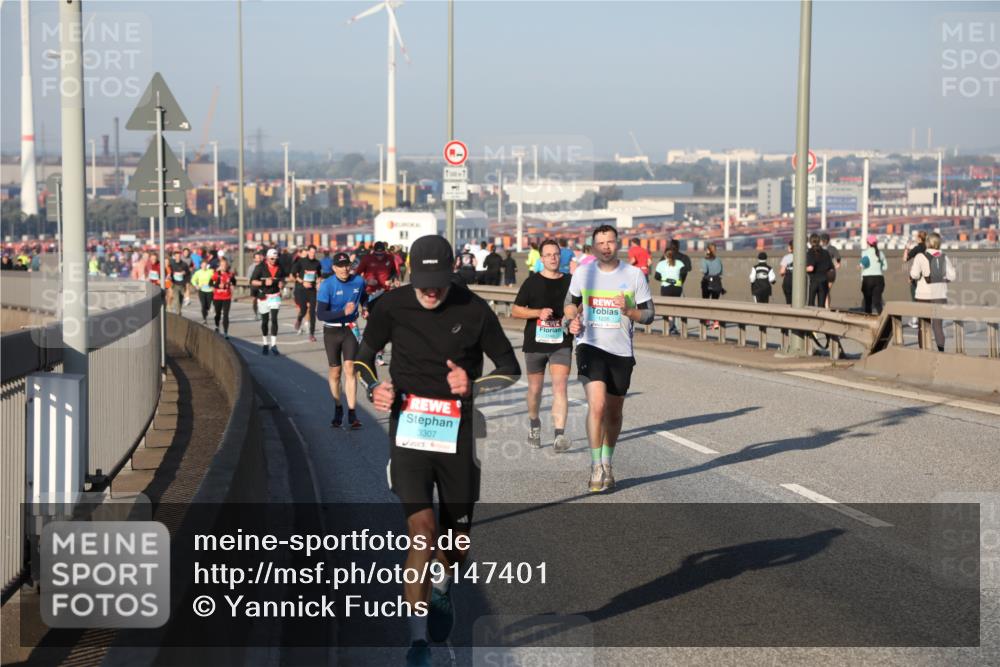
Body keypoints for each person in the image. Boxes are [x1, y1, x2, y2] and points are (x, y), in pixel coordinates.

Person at [354, 235, 520, 666]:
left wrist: (473, 386)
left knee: (456, 545)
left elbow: (509, 368)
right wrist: (375, 387)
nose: (430, 291)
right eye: (423, 281)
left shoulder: (474, 309)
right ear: (411, 273)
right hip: (409, 431)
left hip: (457, 436)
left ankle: (443, 586)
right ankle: (418, 641)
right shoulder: (391, 306)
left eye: (438, 282)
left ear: (452, 273)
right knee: (422, 534)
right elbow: (363, 357)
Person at [564, 225, 654, 493]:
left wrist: (629, 311)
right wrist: (572, 318)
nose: (605, 247)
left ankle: (607, 461)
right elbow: (569, 302)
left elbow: (649, 315)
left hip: (621, 351)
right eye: (600, 243)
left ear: (618, 244)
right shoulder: (583, 272)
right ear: (593, 246)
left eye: (610, 242)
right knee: (598, 405)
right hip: (589, 346)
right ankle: (595, 465)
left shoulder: (634, 274)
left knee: (614, 413)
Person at [512, 239, 573, 452]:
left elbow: (580, 306)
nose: (553, 258)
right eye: (548, 255)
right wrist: (538, 312)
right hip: (535, 344)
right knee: (535, 390)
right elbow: (516, 310)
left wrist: (576, 318)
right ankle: (534, 423)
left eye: (556, 254)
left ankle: (559, 435)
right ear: (542, 259)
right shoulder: (531, 282)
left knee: (560, 387)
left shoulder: (571, 282)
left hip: (561, 342)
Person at [317, 252, 367, 429]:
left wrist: (365, 308)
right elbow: (320, 314)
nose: (345, 269)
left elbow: (364, 297)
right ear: (334, 268)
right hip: (331, 331)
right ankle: (338, 407)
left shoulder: (359, 281)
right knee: (335, 372)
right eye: (341, 266)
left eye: (347, 265)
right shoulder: (327, 285)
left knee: (350, 369)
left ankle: (352, 413)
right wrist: (342, 312)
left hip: (350, 329)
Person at [909, 232, 955, 352]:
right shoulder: (944, 257)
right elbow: (952, 276)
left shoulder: (920, 256)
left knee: (923, 326)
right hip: (939, 295)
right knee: (938, 326)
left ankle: (923, 351)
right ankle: (941, 351)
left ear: (927, 243)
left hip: (923, 295)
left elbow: (914, 274)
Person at [251, 248, 287, 355]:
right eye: (272, 258)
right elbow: (252, 281)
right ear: (267, 258)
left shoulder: (280, 266)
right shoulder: (260, 267)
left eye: (275, 258)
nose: (274, 260)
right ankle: (265, 343)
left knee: (274, 319)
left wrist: (282, 283)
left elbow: (283, 279)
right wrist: (263, 282)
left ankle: (274, 345)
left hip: (275, 296)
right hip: (263, 296)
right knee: (265, 321)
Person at [292, 244, 323, 342]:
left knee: (312, 312)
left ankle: (311, 334)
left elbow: (319, 275)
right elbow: (293, 274)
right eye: (311, 252)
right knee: (304, 310)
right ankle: (299, 319)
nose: (313, 254)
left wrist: (318, 282)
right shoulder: (301, 261)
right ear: (308, 252)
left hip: (312, 290)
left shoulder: (317, 263)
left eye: (314, 252)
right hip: (302, 289)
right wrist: (302, 282)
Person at [654, 246, 684, 335]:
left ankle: (671, 326)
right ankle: (673, 326)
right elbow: (683, 272)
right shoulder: (679, 263)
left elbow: (656, 276)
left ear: (664, 255)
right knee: (674, 307)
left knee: (667, 308)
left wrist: (664, 278)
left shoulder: (661, 264)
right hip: (677, 288)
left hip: (666, 287)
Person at [904, 230, 928, 328]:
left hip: (917, 277)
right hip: (928, 277)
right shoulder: (929, 248)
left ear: (919, 238)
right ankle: (926, 319)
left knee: (915, 298)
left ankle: (915, 320)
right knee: (926, 299)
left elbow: (905, 259)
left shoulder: (917, 248)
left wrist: (906, 249)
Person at [860, 234, 888, 315]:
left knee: (868, 303)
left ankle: (868, 321)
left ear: (867, 243)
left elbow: (863, 265)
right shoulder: (881, 253)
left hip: (867, 279)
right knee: (877, 302)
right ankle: (883, 320)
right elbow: (885, 267)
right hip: (879, 279)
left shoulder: (864, 252)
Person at [210, 257, 237, 338]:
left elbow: (234, 282)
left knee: (226, 315)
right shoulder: (216, 274)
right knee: (218, 314)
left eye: (225, 265)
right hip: (217, 297)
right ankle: (217, 326)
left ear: (227, 266)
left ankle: (225, 332)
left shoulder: (230, 274)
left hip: (227, 297)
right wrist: (218, 285)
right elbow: (210, 283)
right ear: (220, 266)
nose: (224, 266)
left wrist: (231, 285)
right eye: (222, 265)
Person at [805, 234, 833, 308]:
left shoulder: (810, 252)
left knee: (811, 304)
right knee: (821, 305)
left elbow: (810, 268)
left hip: (814, 281)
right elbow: (831, 268)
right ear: (819, 241)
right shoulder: (826, 253)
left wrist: (802, 269)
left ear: (810, 242)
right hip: (824, 282)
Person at [820, 233, 841, 309]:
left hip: (822, 272)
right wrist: (837, 264)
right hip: (831, 272)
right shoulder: (832, 248)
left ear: (821, 240)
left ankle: (825, 307)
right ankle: (827, 306)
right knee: (827, 290)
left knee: (824, 290)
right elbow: (838, 258)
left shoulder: (819, 249)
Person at [168, 249, 191, 316]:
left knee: (180, 300)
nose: (178, 257)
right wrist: (170, 277)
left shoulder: (184, 264)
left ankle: (179, 312)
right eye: (176, 256)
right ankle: (177, 313)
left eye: (179, 256)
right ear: (174, 257)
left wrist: (187, 282)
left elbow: (188, 274)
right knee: (176, 299)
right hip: (174, 284)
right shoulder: (171, 264)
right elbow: (169, 272)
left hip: (182, 285)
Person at [247, 250, 264, 321]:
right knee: (254, 300)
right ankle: (256, 313)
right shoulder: (251, 267)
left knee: (262, 300)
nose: (258, 259)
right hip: (254, 286)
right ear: (254, 259)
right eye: (257, 258)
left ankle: (261, 313)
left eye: (259, 257)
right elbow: (249, 278)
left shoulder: (264, 266)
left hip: (262, 286)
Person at [779, 240, 794, 305]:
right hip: (799, 281)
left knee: (789, 302)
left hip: (788, 280)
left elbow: (782, 272)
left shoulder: (786, 257)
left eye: (789, 246)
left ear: (791, 247)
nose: (788, 248)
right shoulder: (804, 256)